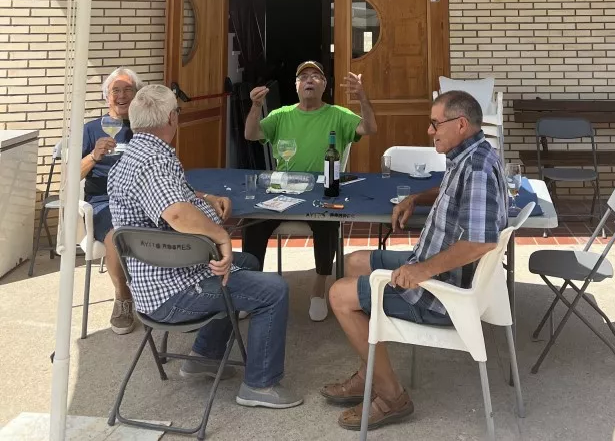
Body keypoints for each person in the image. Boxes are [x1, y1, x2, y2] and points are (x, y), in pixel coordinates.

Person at [321, 90, 508, 431]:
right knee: (355, 262)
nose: (430, 130)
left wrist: (421, 271)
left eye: (435, 123)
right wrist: (417, 197)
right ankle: (370, 373)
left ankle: (393, 397)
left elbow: (481, 242)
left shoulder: (478, 166)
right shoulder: (468, 154)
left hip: (443, 291)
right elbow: (454, 188)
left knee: (339, 294)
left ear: (461, 124)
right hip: (433, 264)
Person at [107, 84, 302, 409]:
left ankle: (204, 356)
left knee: (249, 262)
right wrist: (220, 236)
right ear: (171, 118)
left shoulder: (134, 157)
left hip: (156, 280)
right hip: (175, 291)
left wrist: (207, 199)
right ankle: (260, 385)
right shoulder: (153, 162)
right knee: (274, 290)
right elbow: (177, 212)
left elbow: (173, 195)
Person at [243, 61, 377, 322]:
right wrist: (256, 106)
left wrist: (362, 97)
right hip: (283, 191)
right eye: (303, 76)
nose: (309, 80)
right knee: (252, 221)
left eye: (316, 76)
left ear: (324, 85)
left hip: (320, 192)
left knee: (327, 222)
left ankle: (318, 288)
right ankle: (250, 289)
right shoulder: (281, 115)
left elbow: (370, 129)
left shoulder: (338, 114)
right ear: (296, 85)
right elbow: (251, 134)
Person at [80, 67, 142, 335]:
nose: (122, 95)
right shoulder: (91, 129)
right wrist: (94, 156)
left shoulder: (144, 127)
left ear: (137, 95)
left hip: (141, 197)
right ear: (107, 97)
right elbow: (71, 176)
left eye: (128, 90)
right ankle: (123, 298)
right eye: (116, 90)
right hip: (105, 200)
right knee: (117, 233)